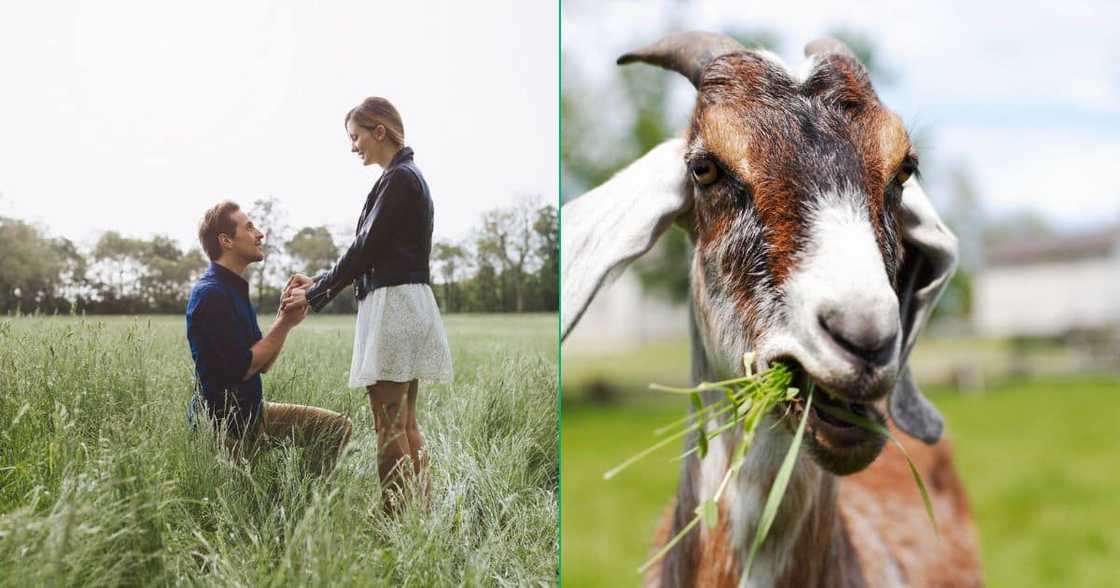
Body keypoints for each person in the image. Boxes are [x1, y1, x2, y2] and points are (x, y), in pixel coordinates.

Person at [284, 96, 453, 511]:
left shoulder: (399, 180)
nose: (353, 146)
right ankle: (420, 515)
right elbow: (372, 252)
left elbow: (364, 250)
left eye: (356, 136)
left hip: (394, 306)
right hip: (408, 303)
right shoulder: (407, 178)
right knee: (405, 423)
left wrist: (315, 292)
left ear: (380, 132)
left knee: (389, 426)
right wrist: (321, 281)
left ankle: (395, 519)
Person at [186, 200, 352, 471]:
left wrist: (284, 318)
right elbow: (245, 367)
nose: (259, 233)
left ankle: (310, 500)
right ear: (226, 240)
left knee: (336, 428)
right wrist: (284, 324)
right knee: (250, 505)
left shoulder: (233, 288)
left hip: (252, 415)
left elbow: (264, 365)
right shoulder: (212, 294)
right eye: (249, 228)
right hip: (223, 430)